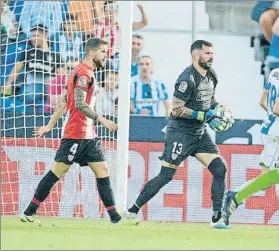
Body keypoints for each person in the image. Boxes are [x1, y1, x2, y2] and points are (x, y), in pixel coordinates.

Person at [124, 40, 231, 229]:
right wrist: (203, 115)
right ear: (196, 55)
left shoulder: (211, 75)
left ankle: (217, 217)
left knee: (220, 169)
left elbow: (210, 99)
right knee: (166, 175)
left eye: (212, 53)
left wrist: (217, 108)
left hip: (199, 133)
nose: (211, 57)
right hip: (180, 132)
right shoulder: (186, 79)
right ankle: (132, 210)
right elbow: (176, 109)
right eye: (207, 53)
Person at [21, 38, 121, 224]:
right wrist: (102, 119)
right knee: (57, 172)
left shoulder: (82, 71)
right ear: (92, 53)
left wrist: (49, 126)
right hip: (76, 133)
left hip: (89, 135)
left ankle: (116, 219)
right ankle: (29, 211)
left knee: (103, 169)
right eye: (102, 52)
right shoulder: (83, 74)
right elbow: (79, 104)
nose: (105, 56)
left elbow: (65, 101)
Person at [223, 68, 279, 222]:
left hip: (270, 129)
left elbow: (262, 101)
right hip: (276, 136)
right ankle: (236, 196)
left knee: (272, 177)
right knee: (270, 177)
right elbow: (277, 108)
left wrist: (272, 119)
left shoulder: (274, 72)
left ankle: (235, 196)